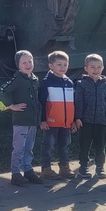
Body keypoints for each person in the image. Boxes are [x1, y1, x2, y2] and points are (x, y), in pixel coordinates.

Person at [0, 50, 43, 186]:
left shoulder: (34, 79)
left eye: (30, 61)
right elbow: (1, 92)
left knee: (29, 148)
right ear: (18, 65)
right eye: (24, 62)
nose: (28, 65)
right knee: (19, 148)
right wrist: (11, 105)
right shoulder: (18, 79)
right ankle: (16, 173)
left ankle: (28, 170)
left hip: (32, 121)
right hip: (21, 121)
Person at [73, 54, 106, 179]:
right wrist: (78, 118)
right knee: (84, 145)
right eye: (92, 67)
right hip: (85, 121)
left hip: (102, 121)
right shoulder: (81, 84)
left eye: (98, 67)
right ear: (86, 68)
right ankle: (83, 167)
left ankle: (100, 167)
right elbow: (78, 102)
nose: (96, 70)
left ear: (102, 68)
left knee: (100, 146)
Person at [38, 50, 76, 179]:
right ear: (51, 66)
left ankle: (64, 167)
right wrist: (42, 120)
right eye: (59, 64)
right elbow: (41, 103)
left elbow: (72, 103)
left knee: (64, 146)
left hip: (66, 123)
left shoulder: (69, 82)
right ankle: (46, 169)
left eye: (65, 64)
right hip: (51, 122)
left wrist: (73, 120)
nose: (63, 67)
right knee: (48, 146)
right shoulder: (46, 83)